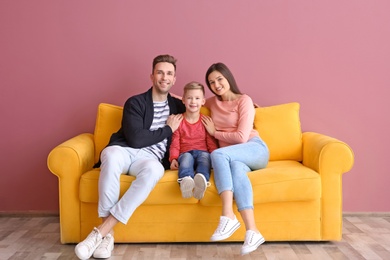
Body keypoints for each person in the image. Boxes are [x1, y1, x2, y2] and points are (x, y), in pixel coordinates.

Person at [74, 54, 185, 260]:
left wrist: (247, 104)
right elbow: (135, 139)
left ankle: (101, 233)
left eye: (169, 73)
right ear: (151, 76)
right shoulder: (135, 102)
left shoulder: (178, 106)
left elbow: (202, 104)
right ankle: (108, 236)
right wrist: (167, 130)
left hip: (150, 159)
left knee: (155, 171)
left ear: (174, 79)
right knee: (110, 154)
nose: (164, 77)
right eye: (160, 72)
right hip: (125, 149)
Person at [201, 62, 270, 255]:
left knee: (217, 153)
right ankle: (253, 231)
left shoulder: (244, 100)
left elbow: (241, 137)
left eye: (219, 79)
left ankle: (228, 215)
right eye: (211, 82)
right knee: (237, 171)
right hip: (234, 159)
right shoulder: (212, 102)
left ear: (228, 77)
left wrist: (216, 133)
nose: (216, 85)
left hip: (254, 149)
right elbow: (188, 99)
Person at [169, 81, 218, 199]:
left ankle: (201, 180)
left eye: (197, 98)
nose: (193, 101)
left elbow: (211, 142)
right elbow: (175, 143)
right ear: (183, 100)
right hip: (185, 153)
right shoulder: (179, 121)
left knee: (205, 159)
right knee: (186, 159)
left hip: (203, 152)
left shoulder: (206, 121)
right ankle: (186, 180)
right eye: (189, 98)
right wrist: (173, 158)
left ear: (203, 101)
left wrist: (215, 157)